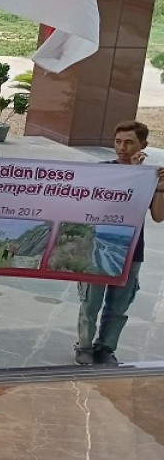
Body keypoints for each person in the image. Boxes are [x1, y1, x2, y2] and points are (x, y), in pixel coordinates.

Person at [74, 121, 164, 365]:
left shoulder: (151, 176)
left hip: (133, 249)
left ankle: (106, 347)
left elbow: (158, 215)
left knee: (118, 305)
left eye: (129, 142)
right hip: (96, 247)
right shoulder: (103, 171)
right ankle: (83, 346)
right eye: (118, 141)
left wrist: (159, 188)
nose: (122, 148)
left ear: (143, 145)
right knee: (90, 302)